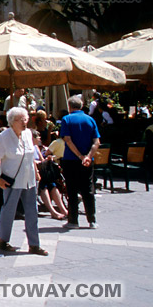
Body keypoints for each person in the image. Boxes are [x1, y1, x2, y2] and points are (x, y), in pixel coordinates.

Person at [0, 108, 48, 256]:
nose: (24, 122)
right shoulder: (4, 137)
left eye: (25, 119)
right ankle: (2, 240)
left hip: (29, 180)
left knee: (32, 211)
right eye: (20, 119)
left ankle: (34, 244)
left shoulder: (28, 134)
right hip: (12, 180)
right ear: (12, 121)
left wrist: (36, 171)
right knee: (9, 211)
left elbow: (29, 155)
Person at [59, 96, 100, 229]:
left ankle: (73, 220)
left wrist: (80, 156)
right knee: (88, 189)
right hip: (88, 161)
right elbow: (96, 142)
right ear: (81, 106)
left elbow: (68, 140)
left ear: (70, 106)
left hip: (71, 160)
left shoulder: (66, 119)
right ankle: (92, 220)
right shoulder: (90, 119)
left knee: (72, 189)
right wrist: (88, 156)